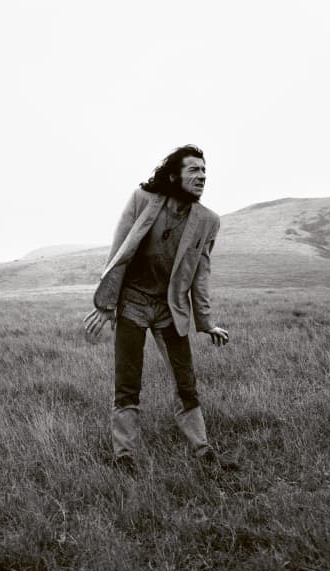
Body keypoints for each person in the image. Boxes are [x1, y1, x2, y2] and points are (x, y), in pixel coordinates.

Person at [84, 144, 235, 472]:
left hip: (170, 309)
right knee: (128, 383)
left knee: (186, 382)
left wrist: (205, 321)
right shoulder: (143, 200)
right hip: (133, 304)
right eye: (194, 170)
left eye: (205, 171)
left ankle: (203, 450)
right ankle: (124, 455)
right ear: (173, 175)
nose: (202, 176)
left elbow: (201, 273)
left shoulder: (208, 221)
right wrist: (108, 303)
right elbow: (119, 251)